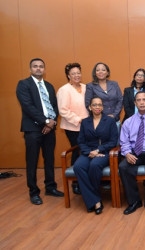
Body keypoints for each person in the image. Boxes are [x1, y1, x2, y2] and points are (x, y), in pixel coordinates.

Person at [16, 58, 64, 205]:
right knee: (32, 161)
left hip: (49, 129)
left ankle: (50, 187)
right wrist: (45, 121)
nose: (38, 69)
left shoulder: (49, 86)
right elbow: (28, 106)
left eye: (41, 67)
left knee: (49, 158)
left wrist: (51, 122)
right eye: (35, 66)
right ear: (30, 69)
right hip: (33, 129)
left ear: (44, 69)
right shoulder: (24, 84)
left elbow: (55, 107)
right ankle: (34, 192)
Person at [73, 97, 118, 215]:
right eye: (94, 105)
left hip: (105, 152)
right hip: (88, 152)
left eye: (99, 105)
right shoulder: (85, 122)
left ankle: (92, 200)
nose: (97, 107)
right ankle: (95, 200)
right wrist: (89, 152)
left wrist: (98, 150)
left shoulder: (109, 121)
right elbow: (81, 141)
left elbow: (113, 141)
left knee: (94, 165)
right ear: (90, 107)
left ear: (102, 107)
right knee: (78, 166)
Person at [57, 63, 89, 195]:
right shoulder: (64, 90)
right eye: (73, 73)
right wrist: (78, 120)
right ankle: (76, 182)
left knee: (87, 152)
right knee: (77, 151)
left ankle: (86, 179)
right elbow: (63, 110)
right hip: (73, 126)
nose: (77, 75)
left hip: (87, 126)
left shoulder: (85, 87)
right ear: (68, 76)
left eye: (78, 73)